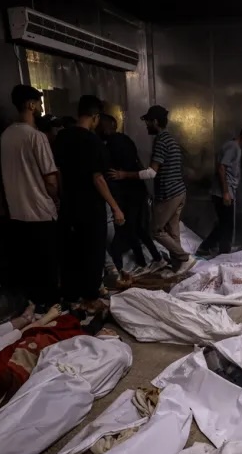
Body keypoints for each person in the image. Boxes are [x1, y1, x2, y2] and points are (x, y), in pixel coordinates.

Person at [53, 95, 125, 311]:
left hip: (68, 205)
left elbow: (57, 172)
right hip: (90, 207)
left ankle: (71, 296)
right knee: (93, 251)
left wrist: (60, 197)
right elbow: (98, 178)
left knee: (71, 251)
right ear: (94, 117)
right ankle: (91, 298)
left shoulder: (62, 137)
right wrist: (115, 207)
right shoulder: (92, 141)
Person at [109, 105, 195, 274]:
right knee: (172, 231)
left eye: (148, 121)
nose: (146, 125)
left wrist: (124, 175)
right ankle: (179, 266)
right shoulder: (171, 139)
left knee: (156, 230)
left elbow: (151, 172)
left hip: (169, 194)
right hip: (179, 191)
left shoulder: (161, 140)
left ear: (155, 121)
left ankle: (185, 258)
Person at [0, 84, 60, 311]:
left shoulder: (5, 135)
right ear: (30, 105)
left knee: (29, 265)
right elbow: (51, 179)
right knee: (48, 265)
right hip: (40, 211)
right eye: (39, 103)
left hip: (17, 212)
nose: (41, 107)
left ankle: (34, 308)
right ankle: (53, 307)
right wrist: (55, 199)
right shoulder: (36, 137)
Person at [99, 113, 166, 276]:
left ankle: (132, 265)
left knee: (127, 228)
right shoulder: (126, 140)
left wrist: (121, 177)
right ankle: (155, 258)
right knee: (138, 228)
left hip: (126, 192)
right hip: (137, 190)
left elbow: (110, 172)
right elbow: (138, 163)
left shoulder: (110, 144)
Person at [199, 123, 242, 255]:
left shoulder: (236, 148)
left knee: (224, 224)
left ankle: (207, 248)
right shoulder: (232, 146)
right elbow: (221, 167)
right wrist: (226, 192)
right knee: (226, 225)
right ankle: (223, 254)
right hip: (222, 193)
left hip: (226, 192)